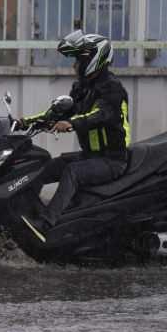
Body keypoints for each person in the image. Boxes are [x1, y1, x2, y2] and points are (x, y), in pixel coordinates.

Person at [17, 30, 132, 239]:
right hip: (91, 156)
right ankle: (25, 211)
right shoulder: (82, 87)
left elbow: (100, 115)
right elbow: (60, 112)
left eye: (79, 59)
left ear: (94, 59)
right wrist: (26, 121)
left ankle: (45, 224)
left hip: (112, 160)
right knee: (44, 167)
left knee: (72, 172)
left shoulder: (112, 89)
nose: (75, 65)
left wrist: (70, 124)